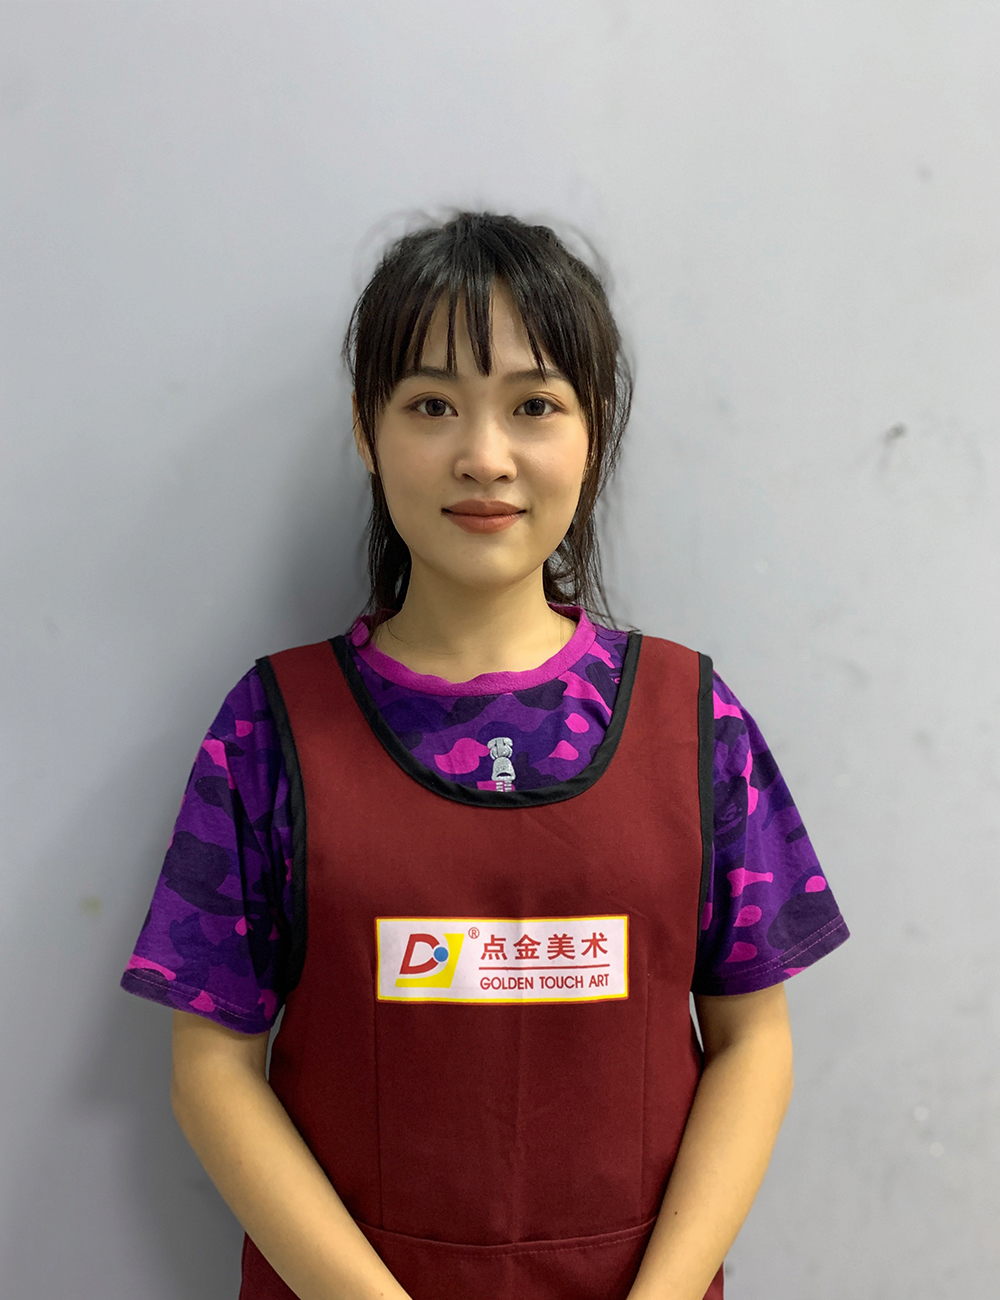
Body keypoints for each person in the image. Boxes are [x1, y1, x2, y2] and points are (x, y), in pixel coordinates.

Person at [121, 211, 849, 1300]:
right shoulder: (271, 729)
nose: (484, 456)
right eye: (431, 405)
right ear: (367, 430)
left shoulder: (695, 721)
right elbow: (211, 1069)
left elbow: (754, 1041)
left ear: (593, 430)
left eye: (534, 405)